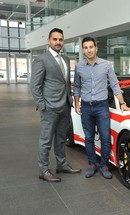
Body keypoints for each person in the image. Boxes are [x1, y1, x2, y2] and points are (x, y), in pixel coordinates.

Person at [73, 37, 130, 179]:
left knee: (105, 137)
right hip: (86, 107)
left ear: (96, 48)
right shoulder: (79, 67)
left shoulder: (106, 65)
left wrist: (123, 103)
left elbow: (114, 85)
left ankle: (104, 165)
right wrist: (77, 104)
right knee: (89, 138)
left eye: (91, 47)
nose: (89, 50)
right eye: (86, 47)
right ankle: (92, 164)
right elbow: (77, 87)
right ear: (83, 50)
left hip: (102, 107)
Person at [30, 28, 81, 183]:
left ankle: (62, 164)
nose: (58, 42)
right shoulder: (42, 59)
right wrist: (42, 105)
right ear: (49, 41)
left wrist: (70, 100)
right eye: (55, 39)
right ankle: (43, 170)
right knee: (46, 140)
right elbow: (35, 85)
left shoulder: (65, 59)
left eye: (60, 39)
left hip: (65, 105)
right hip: (49, 107)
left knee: (60, 138)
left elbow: (65, 82)